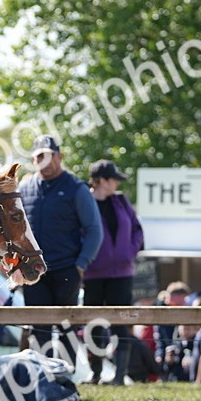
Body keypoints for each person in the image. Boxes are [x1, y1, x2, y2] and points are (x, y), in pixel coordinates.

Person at [18, 135, 103, 368]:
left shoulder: (76, 188)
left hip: (67, 268)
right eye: (38, 157)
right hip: (33, 271)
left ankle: (65, 382)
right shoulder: (24, 188)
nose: (43, 162)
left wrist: (81, 264)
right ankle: (40, 381)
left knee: (67, 327)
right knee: (38, 327)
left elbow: (95, 230)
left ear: (59, 157)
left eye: (48, 156)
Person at [83, 159, 144, 384]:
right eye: (113, 179)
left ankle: (119, 375)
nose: (117, 183)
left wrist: (129, 252)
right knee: (93, 323)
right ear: (100, 181)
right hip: (93, 274)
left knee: (120, 321)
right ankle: (96, 373)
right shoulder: (84, 201)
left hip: (122, 273)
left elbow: (137, 230)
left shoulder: (121, 202)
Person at [155, 281, 191, 381]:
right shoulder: (161, 313)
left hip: (181, 356)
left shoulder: (186, 312)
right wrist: (160, 356)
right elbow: (160, 339)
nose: (184, 303)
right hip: (167, 357)